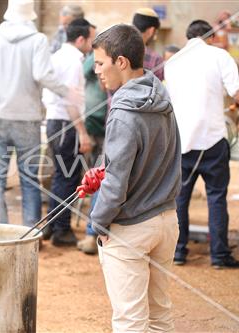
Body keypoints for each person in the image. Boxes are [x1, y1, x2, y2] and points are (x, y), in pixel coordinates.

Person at [79, 24, 181, 331]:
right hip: (166, 221)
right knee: (160, 315)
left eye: (100, 63)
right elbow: (158, 156)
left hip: (131, 228)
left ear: (121, 61)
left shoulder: (123, 112)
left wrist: (97, 222)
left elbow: (117, 185)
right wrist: (108, 168)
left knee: (130, 322)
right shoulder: (160, 95)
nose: (96, 71)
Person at [0, 0, 76, 227]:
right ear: (30, 16)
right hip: (28, 119)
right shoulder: (37, 40)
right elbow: (42, 74)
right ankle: (31, 233)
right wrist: (67, 92)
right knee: (29, 179)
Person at [165, 20, 239, 268]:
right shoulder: (219, 55)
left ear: (188, 38)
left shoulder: (173, 62)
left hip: (182, 141)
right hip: (212, 140)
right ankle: (220, 255)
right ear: (211, 37)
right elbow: (238, 93)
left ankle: (178, 252)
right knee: (216, 197)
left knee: (180, 199)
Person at [42, 18, 94, 246]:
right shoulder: (73, 61)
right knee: (68, 177)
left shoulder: (56, 57)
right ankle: (61, 229)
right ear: (81, 38)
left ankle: (52, 224)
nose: (92, 44)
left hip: (55, 121)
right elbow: (70, 100)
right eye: (91, 38)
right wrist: (82, 132)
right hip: (66, 123)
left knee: (61, 176)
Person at [77, 51, 108, 255]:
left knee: (99, 181)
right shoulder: (93, 65)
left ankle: (92, 233)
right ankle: (92, 233)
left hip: (104, 125)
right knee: (97, 181)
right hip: (93, 125)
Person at [132, 8, 164, 81]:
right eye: (155, 33)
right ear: (151, 31)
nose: (154, 38)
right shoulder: (156, 59)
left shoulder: (118, 49)